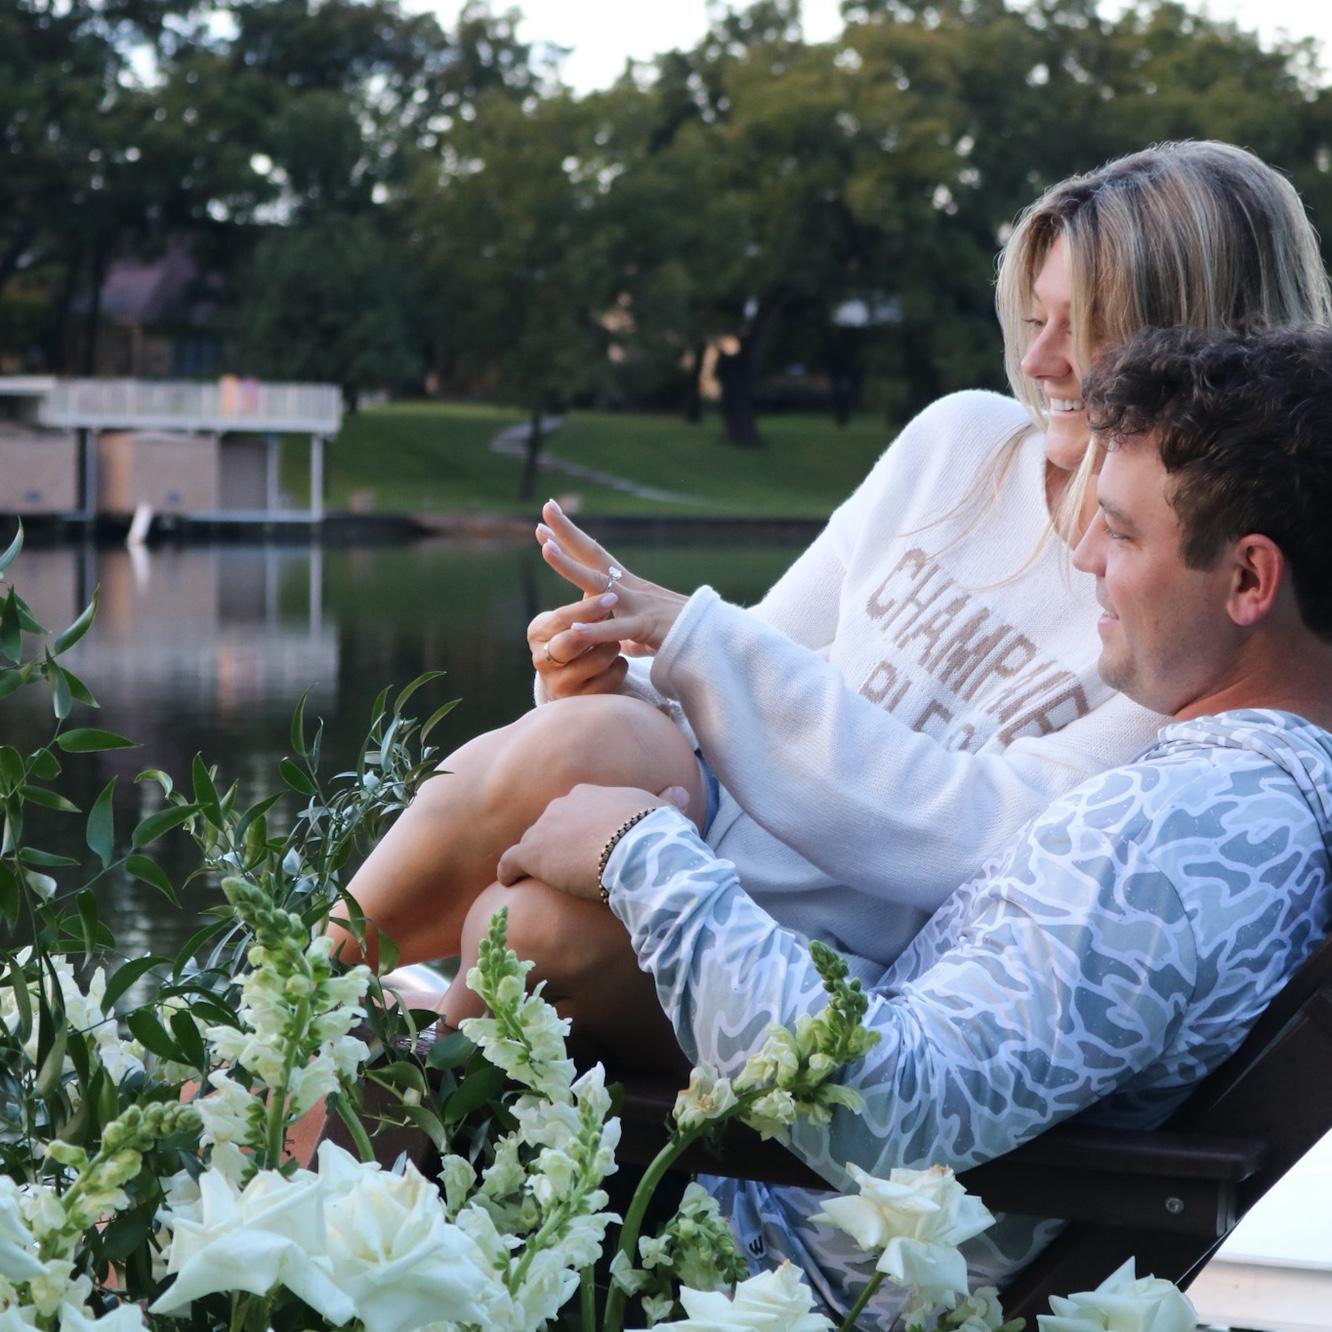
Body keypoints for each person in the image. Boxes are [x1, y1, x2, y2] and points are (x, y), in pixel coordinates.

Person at [327, 141, 1331, 1056]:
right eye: (1036, 320)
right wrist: (615, 678)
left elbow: (982, 840)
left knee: (531, 929)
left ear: (1192, 344)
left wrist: (695, 643)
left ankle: (387, 1117)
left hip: (829, 964)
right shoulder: (959, 442)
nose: (1037, 362)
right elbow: (731, 688)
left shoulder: (1193, 609)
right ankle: (285, 1001)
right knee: (585, 739)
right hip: (695, 836)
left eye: (1088, 329)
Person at [495, 322, 1332, 1327]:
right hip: (779, 1214)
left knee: (509, 941)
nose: (1081, 557)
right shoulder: (1255, 802)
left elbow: (887, 1110)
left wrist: (637, 849)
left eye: (1121, 532)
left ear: (1248, 581)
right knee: (527, 929)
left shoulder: (1187, 836)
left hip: (753, 1266)